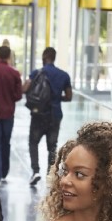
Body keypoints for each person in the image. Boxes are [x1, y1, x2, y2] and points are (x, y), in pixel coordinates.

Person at [25, 47, 72, 186]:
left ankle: (35, 171)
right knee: (52, 146)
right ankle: (50, 175)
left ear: (44, 57)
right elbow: (69, 97)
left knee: (33, 142)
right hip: (55, 115)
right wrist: (56, 98)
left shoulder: (36, 73)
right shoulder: (64, 75)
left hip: (38, 114)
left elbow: (25, 88)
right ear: (54, 57)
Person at [0, 45, 23, 185]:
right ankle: (4, 171)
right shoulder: (14, 73)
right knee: (6, 142)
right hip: (9, 112)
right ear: (9, 57)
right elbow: (18, 95)